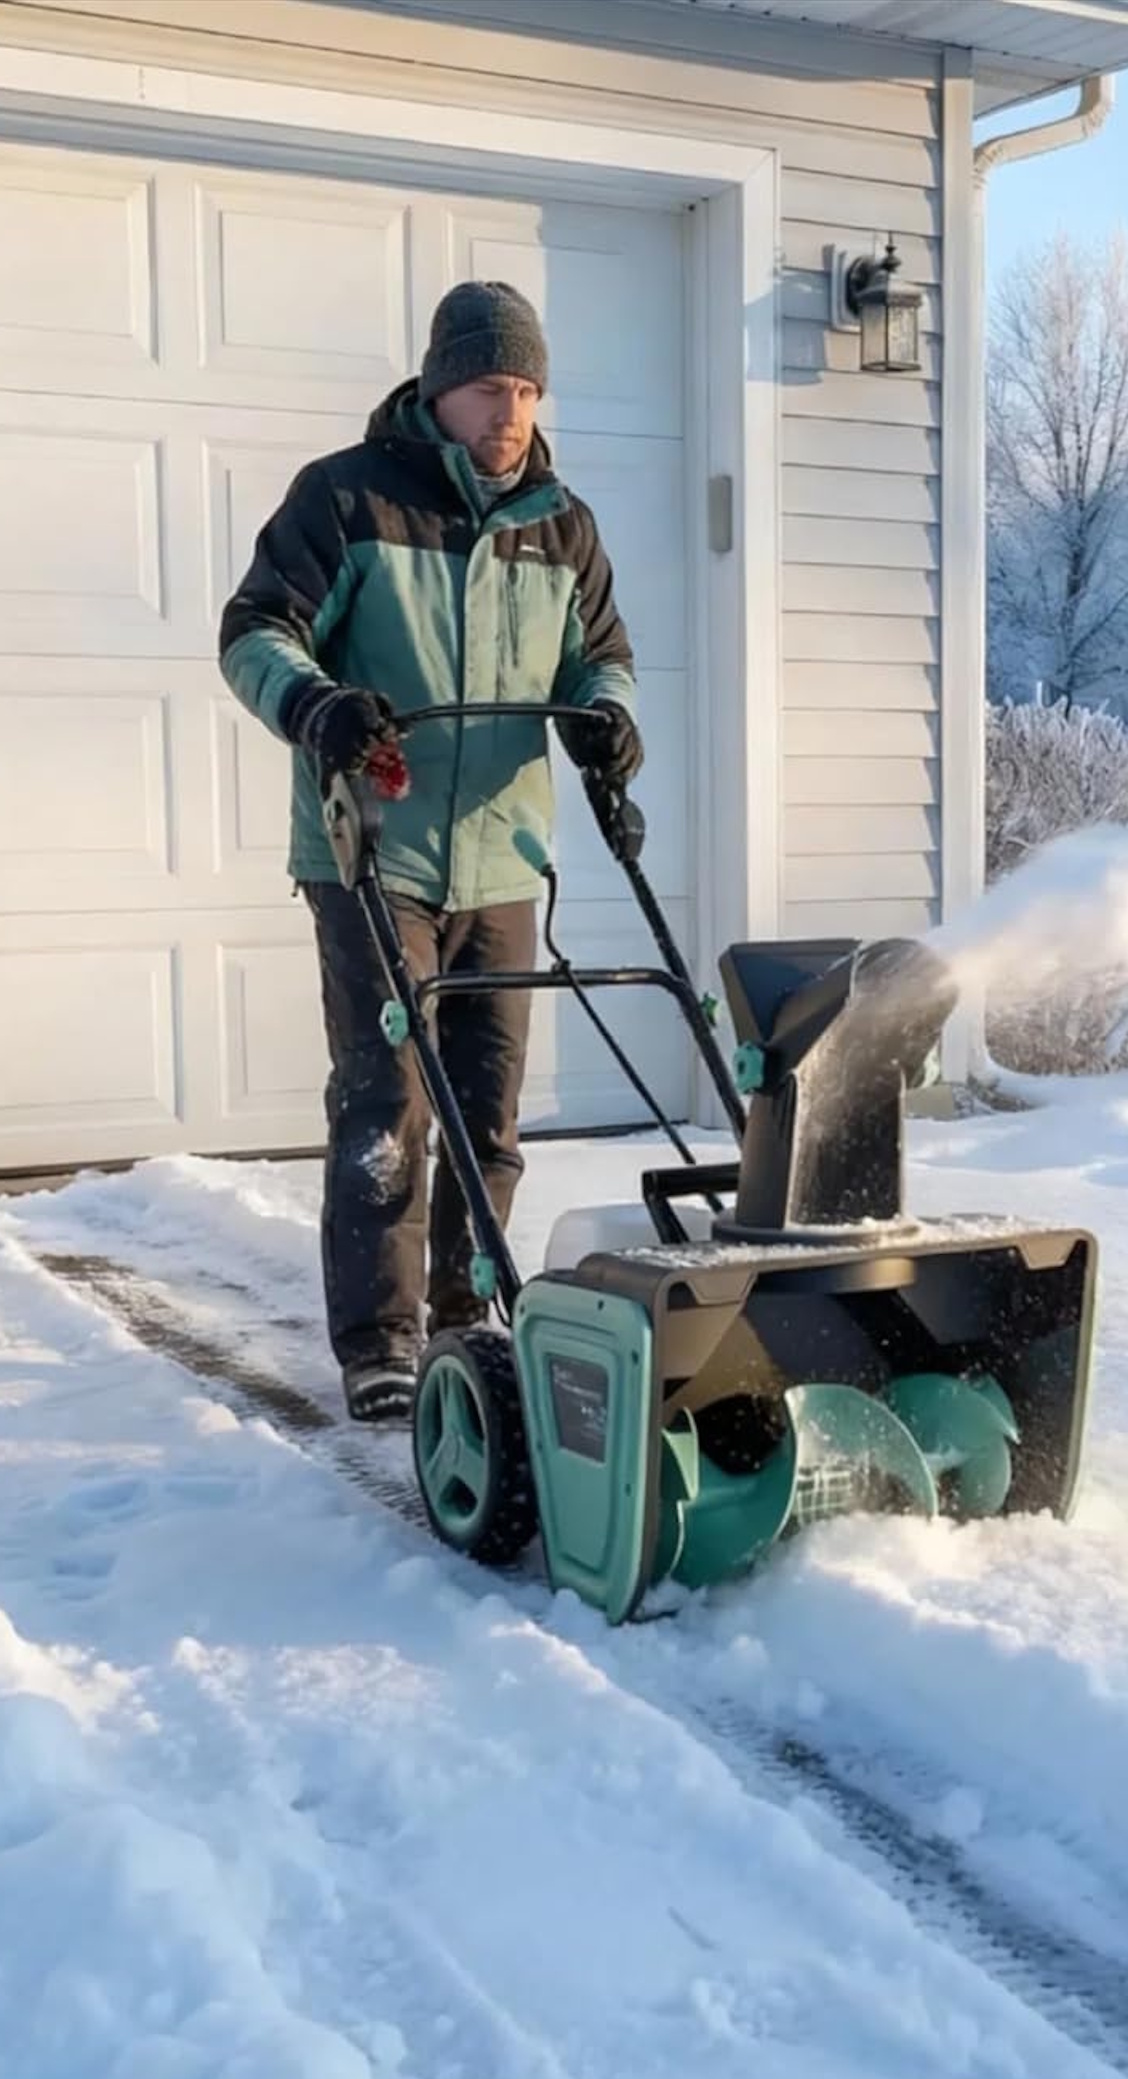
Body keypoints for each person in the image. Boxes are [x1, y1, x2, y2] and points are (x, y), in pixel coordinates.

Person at [219, 280, 646, 1423]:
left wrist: (607, 718)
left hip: (504, 855)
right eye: (485, 388)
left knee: (488, 1108)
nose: (507, 411)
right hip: (375, 854)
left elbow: (600, 656)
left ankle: (471, 1311)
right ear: (437, 388)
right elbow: (254, 631)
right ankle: (381, 1341)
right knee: (386, 1103)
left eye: (524, 389)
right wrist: (315, 706)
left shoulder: (561, 522)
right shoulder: (349, 500)